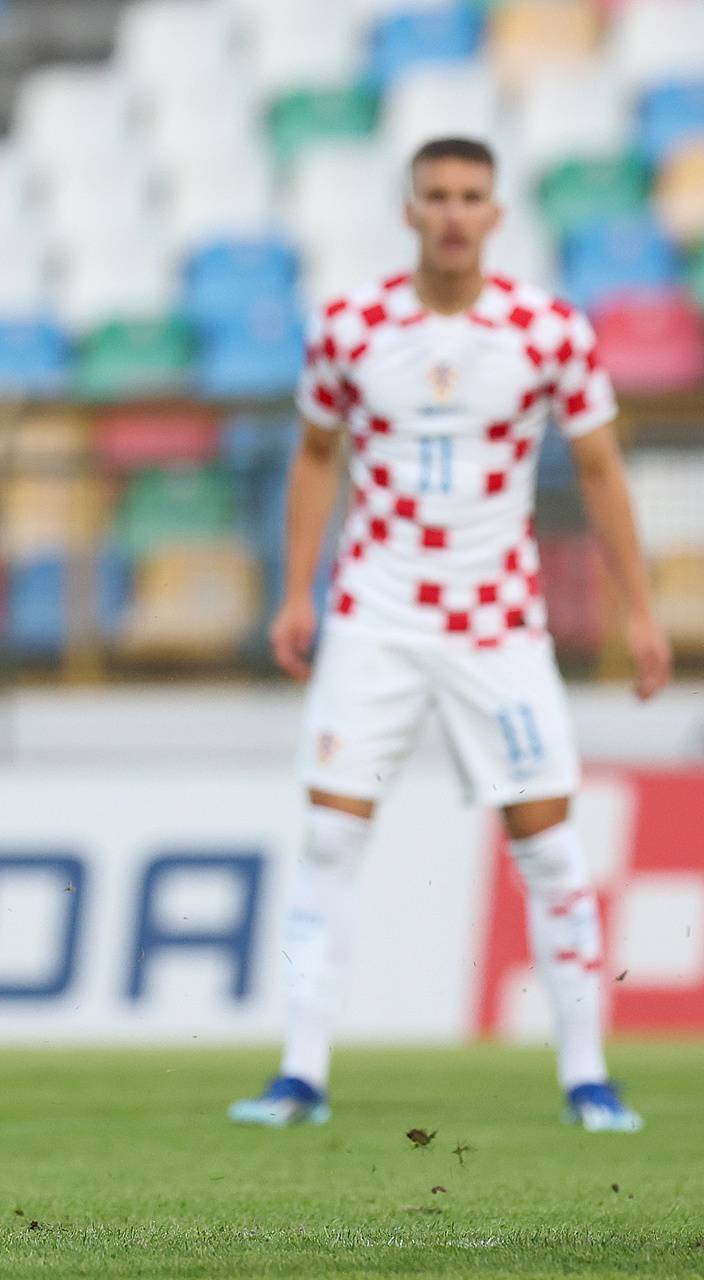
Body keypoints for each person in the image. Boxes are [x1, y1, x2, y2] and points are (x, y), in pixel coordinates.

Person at [230, 137, 672, 1133]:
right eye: (437, 196)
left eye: (472, 196)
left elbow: (600, 469)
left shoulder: (547, 331)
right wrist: (297, 590)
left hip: (498, 620)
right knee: (333, 832)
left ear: (498, 212)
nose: (455, 213)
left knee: (551, 849)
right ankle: (300, 1071)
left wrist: (640, 608)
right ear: (410, 209)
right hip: (377, 611)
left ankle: (586, 1072)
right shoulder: (350, 327)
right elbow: (313, 456)